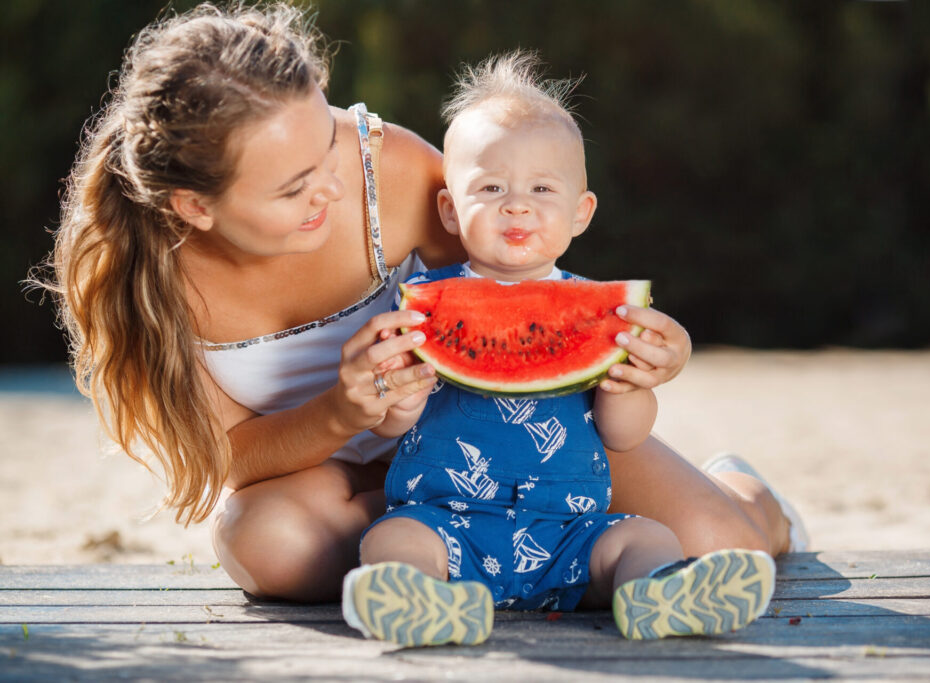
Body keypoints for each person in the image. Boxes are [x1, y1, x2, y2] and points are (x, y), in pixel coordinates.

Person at [38, 2, 804, 606]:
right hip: (336, 472)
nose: (331, 187)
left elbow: (524, 287)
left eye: (327, 145)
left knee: (717, 539)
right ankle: (436, 555)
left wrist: (628, 353)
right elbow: (225, 458)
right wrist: (344, 411)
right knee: (265, 543)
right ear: (194, 207)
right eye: (293, 186)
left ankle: (745, 490)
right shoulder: (145, 280)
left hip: (486, 439)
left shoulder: (389, 173)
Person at [341, 51, 777, 647]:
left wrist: (630, 386)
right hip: (446, 527)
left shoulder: (605, 315)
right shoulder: (421, 304)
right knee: (389, 541)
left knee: (647, 538)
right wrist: (402, 391)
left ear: (581, 213)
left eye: (542, 188)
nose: (516, 205)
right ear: (450, 209)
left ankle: (660, 592)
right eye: (490, 187)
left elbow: (624, 437)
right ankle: (425, 603)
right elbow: (394, 425)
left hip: (573, 532)